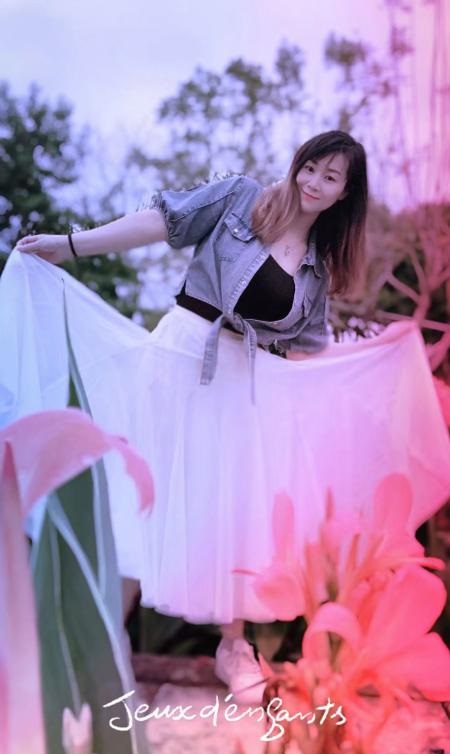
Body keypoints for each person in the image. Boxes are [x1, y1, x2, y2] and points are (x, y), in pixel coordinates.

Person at [10, 130, 450, 705]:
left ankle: (233, 648)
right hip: (179, 359)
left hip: (242, 382)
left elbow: (307, 353)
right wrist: (70, 246)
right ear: (297, 165)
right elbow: (162, 221)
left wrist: (375, 348)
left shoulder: (316, 271)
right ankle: (99, 641)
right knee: (147, 490)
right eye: (311, 168)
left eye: (331, 178)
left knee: (234, 506)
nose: (315, 183)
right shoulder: (240, 197)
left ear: (345, 193)